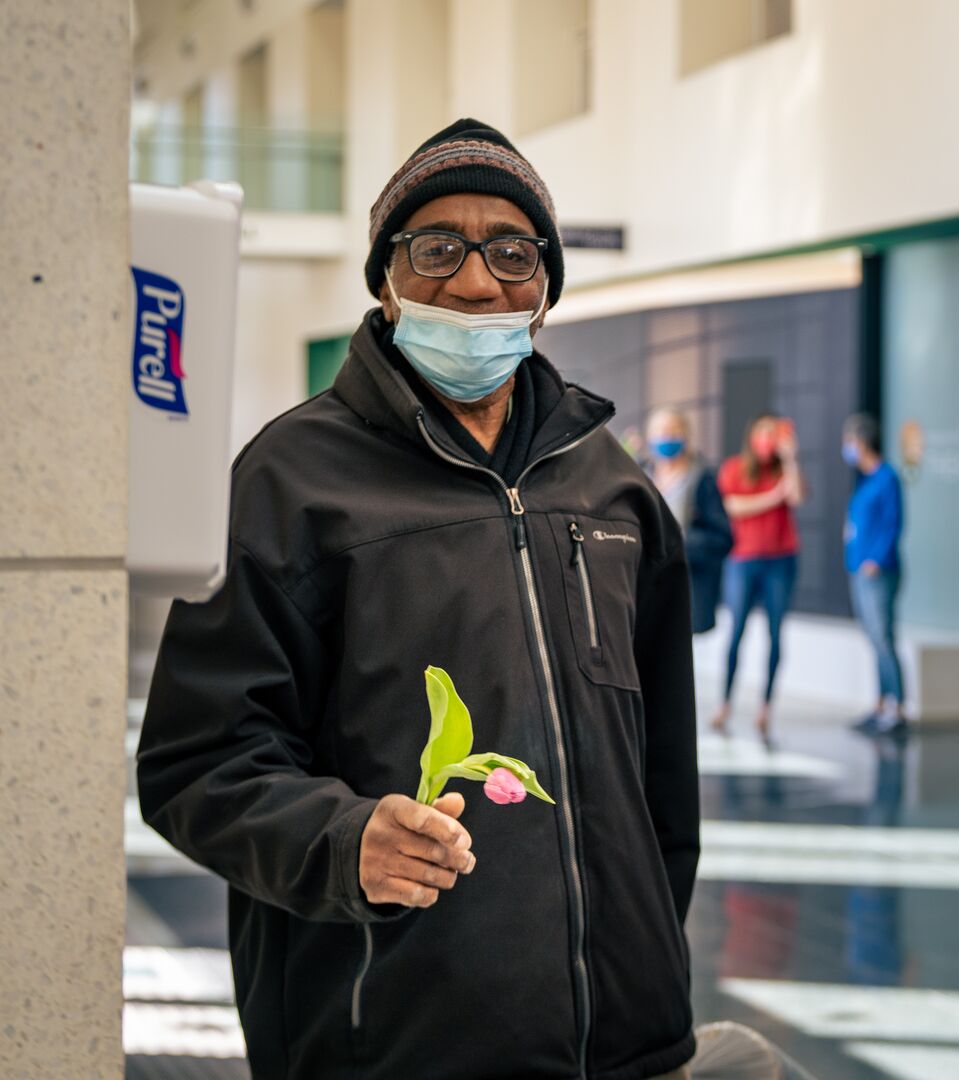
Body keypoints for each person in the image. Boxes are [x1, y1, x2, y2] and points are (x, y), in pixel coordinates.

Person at [137, 119, 700, 1080]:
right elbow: (197, 762)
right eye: (436, 247)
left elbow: (663, 783)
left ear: (545, 290)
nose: (477, 282)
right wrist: (341, 841)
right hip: (389, 1044)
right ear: (385, 280)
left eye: (512, 251)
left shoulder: (610, 487)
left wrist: (651, 962)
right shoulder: (290, 482)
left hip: (630, 1044)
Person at [713, 414, 805, 743]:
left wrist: (791, 458)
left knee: (776, 634)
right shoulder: (734, 468)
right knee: (736, 632)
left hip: (781, 561)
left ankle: (766, 706)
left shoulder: (784, 469)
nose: (768, 439)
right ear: (751, 436)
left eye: (773, 433)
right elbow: (732, 506)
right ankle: (725, 703)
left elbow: (796, 497)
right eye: (763, 432)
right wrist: (772, 498)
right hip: (743, 560)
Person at [842, 412, 907, 736]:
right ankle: (880, 704)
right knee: (873, 638)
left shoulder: (887, 477)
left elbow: (893, 524)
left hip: (878, 571)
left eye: (850, 441)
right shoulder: (864, 481)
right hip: (858, 569)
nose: (847, 448)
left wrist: (875, 559)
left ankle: (898, 708)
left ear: (862, 441)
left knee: (883, 637)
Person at [645, 407, 732, 634]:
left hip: (687, 583)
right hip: (646, 587)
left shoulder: (703, 479)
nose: (667, 437)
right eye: (661, 431)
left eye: (674, 431)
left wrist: (678, 540)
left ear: (686, 435)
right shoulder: (639, 476)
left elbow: (723, 537)